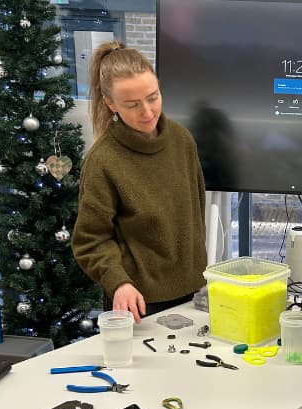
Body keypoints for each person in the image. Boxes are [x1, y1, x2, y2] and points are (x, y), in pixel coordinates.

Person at [72, 42, 207, 323]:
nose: (147, 112)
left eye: (153, 97)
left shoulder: (182, 140)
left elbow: (194, 214)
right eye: (132, 105)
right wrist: (119, 283)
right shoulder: (102, 161)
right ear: (111, 104)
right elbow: (90, 240)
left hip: (193, 292)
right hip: (136, 300)